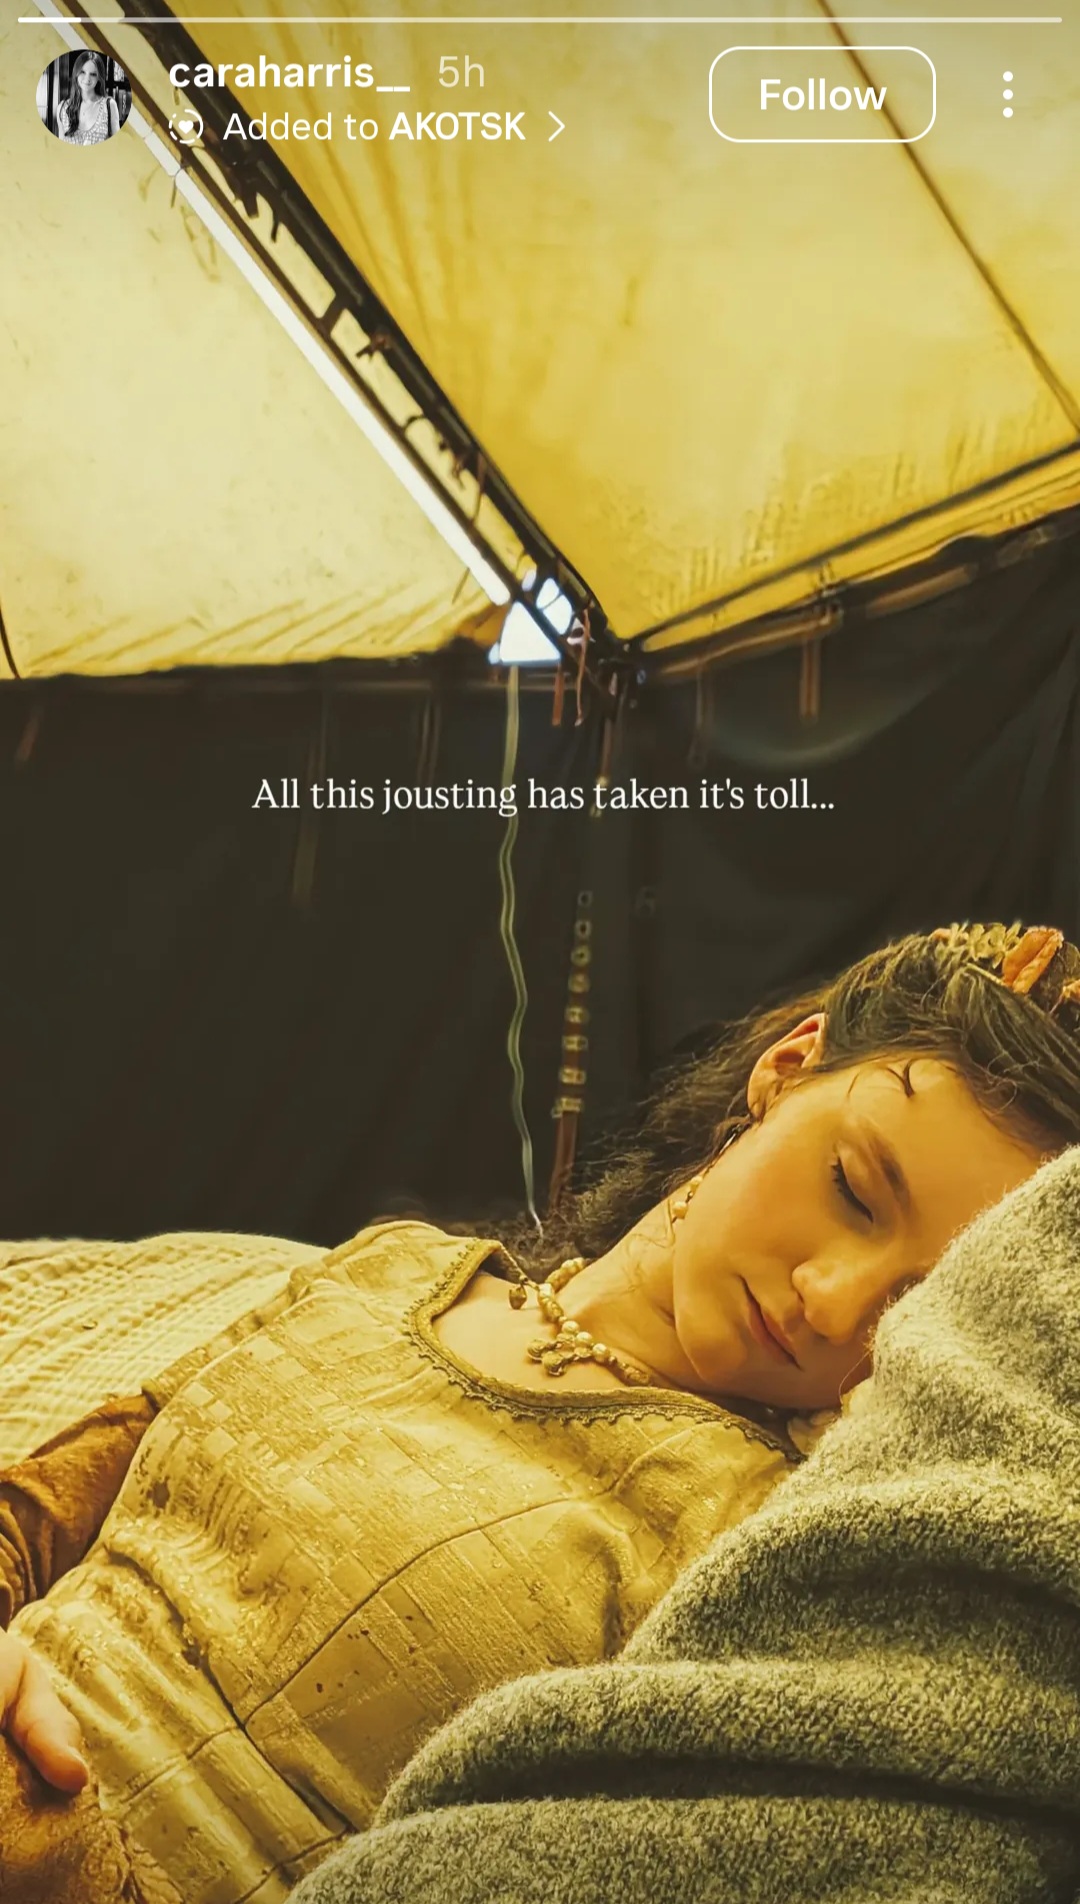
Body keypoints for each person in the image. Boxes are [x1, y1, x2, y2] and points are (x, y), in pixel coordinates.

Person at [2, 919, 1080, 1903]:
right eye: (852, 1187)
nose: (836, 1302)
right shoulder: (395, 1268)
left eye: (916, 1302)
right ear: (787, 1069)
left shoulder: (750, 1543)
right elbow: (47, 1503)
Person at [56, 53, 120, 147]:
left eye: (93, 74)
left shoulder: (109, 105)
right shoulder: (62, 108)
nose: (87, 78)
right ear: (76, 73)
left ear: (99, 78)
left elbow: (117, 146)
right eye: (82, 72)